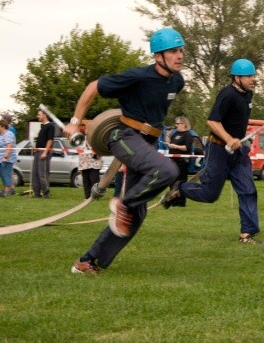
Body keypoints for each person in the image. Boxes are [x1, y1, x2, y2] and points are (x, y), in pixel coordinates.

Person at [64, 27, 185, 274]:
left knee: (135, 217)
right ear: (158, 56)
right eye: (173, 51)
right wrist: (76, 121)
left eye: (181, 50)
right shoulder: (138, 76)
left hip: (147, 143)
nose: (180, 55)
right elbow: (93, 87)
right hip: (124, 136)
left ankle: (86, 262)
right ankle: (123, 204)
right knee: (167, 170)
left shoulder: (177, 81)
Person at [162, 59, 261, 244]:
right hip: (218, 149)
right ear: (237, 77)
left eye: (253, 75)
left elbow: (237, 119)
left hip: (238, 152)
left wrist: (242, 137)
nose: (253, 79)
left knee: (248, 190)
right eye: (249, 76)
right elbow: (212, 121)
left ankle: (247, 234)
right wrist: (229, 139)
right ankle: (180, 189)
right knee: (210, 194)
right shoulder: (227, 94)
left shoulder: (248, 95)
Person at [31, 108, 55, 198]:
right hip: (38, 151)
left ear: (44, 115)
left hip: (44, 152)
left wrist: (45, 152)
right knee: (35, 173)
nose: (38, 116)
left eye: (39, 114)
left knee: (42, 173)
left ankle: (46, 192)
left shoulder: (50, 126)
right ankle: (36, 193)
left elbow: (50, 140)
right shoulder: (42, 127)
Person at [167, 116, 194, 187]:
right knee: (172, 182)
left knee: (180, 182)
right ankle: (171, 197)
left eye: (178, 123)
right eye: (176, 123)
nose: (176, 125)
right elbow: (169, 143)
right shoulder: (175, 133)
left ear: (184, 124)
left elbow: (186, 148)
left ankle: (180, 197)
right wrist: (168, 134)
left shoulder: (188, 134)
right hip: (173, 160)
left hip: (181, 162)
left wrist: (175, 146)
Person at [77, 129, 102, 200]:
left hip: (94, 163)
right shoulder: (81, 139)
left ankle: (95, 196)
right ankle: (87, 196)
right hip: (84, 163)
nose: (86, 130)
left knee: (94, 181)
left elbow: (100, 149)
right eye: (86, 129)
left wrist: (96, 153)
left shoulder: (96, 139)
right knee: (86, 180)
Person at [0, 119, 17, 196]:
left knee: (5, 174)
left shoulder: (8, 134)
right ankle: (5, 190)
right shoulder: (1, 135)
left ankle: (7, 191)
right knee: (2, 174)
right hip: (0, 158)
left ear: (2, 126)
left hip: (7, 159)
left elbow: (9, 146)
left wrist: (6, 157)